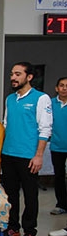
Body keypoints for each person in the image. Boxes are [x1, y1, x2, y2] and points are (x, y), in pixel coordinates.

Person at [1, 62, 52, 236]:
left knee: (30, 195)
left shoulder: (41, 98)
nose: (13, 77)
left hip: (28, 156)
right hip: (8, 153)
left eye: (17, 74)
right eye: (12, 74)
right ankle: (13, 226)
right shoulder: (10, 99)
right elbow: (6, 125)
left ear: (29, 77)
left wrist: (39, 155)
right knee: (10, 194)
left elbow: (45, 129)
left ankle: (30, 231)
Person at [50, 77, 67, 217]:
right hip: (57, 146)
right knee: (59, 176)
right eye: (62, 85)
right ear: (57, 88)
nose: (64, 88)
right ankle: (61, 204)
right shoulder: (50, 104)